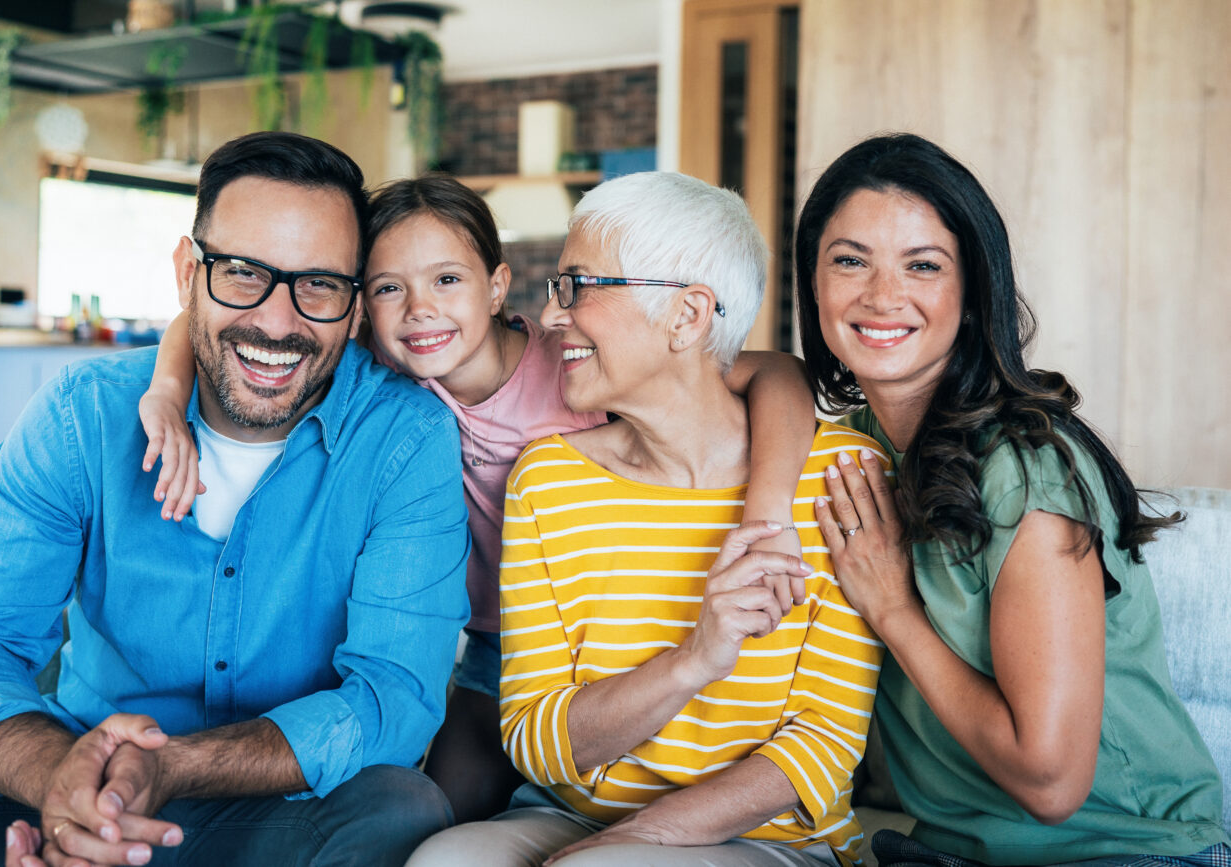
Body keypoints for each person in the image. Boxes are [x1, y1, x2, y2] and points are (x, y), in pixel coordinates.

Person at [140, 174, 821, 823]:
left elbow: (780, 375)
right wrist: (166, 394)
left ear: (496, 287)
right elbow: (218, 321)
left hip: (605, 640)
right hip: (492, 650)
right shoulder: (393, 370)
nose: (420, 309)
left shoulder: (578, 364)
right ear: (359, 309)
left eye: (446, 279)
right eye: (386, 288)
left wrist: (768, 515)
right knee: (432, 820)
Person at [0, 131, 469, 866]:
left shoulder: (406, 440)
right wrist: (73, 788)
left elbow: (391, 697)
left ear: (353, 307)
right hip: (62, 780)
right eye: (244, 273)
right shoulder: (83, 414)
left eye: (318, 284)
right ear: (189, 273)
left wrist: (170, 766)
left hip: (270, 814)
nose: (278, 323)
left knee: (402, 808)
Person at [404, 171, 887, 867]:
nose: (553, 318)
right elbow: (536, 736)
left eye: (579, 286)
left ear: (687, 317)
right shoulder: (547, 478)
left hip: (770, 841)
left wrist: (638, 838)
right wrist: (695, 660)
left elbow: (824, 744)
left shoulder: (839, 476)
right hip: (566, 816)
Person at [794, 133, 1230, 865]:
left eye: (923, 265)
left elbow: (1052, 781)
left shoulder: (1025, 468)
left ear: (972, 294)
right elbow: (742, 377)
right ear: (812, 281)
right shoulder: (850, 452)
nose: (880, 294)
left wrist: (894, 610)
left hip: (1129, 852)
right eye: (849, 259)